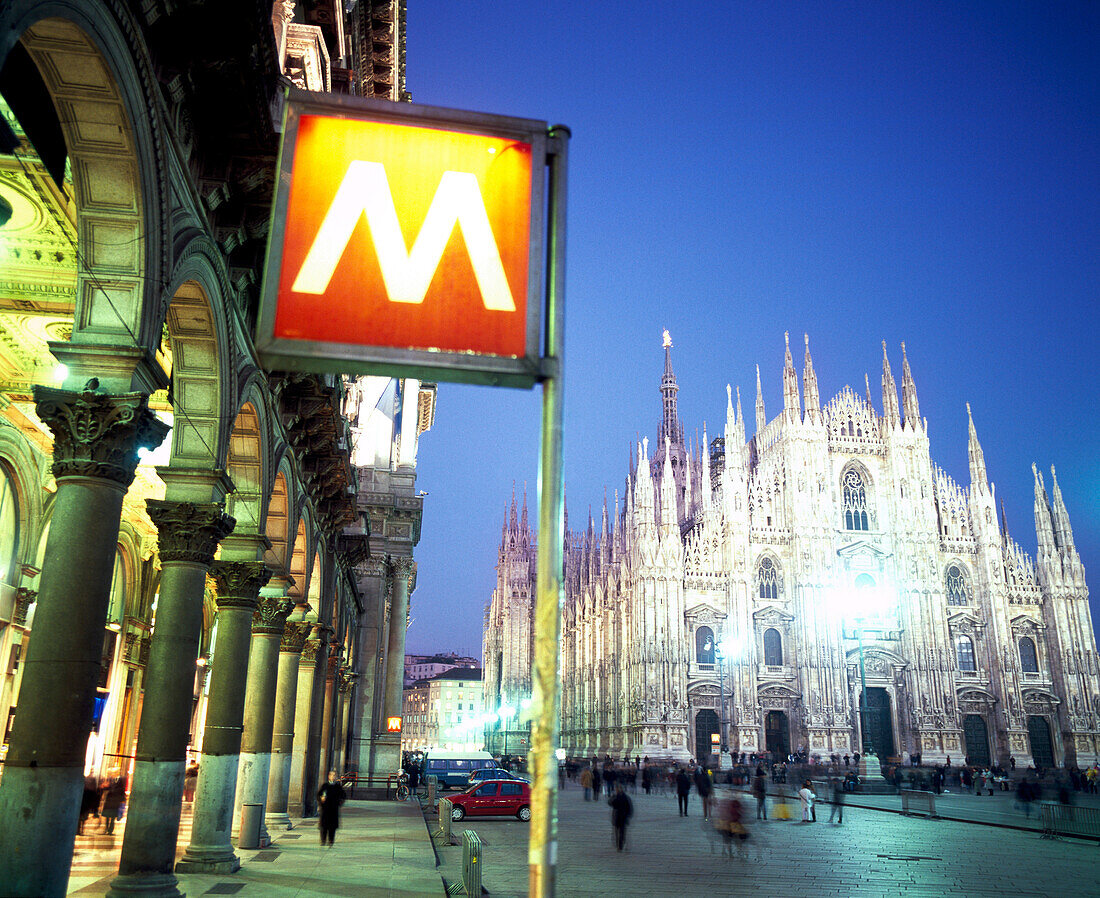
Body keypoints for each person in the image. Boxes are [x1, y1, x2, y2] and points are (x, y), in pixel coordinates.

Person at [317, 770, 347, 845]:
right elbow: (318, 795)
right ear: (328, 776)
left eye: (334, 775)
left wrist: (339, 803)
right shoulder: (325, 785)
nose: (333, 777)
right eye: (331, 775)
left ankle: (331, 840)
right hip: (325, 809)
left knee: (332, 826)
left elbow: (343, 796)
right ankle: (323, 840)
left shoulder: (338, 786)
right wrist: (321, 799)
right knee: (324, 826)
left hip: (334, 809)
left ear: (336, 777)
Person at [608, 782, 633, 851]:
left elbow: (630, 808)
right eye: (617, 789)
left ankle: (620, 845)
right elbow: (610, 803)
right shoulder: (617, 797)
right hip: (617, 817)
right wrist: (613, 797)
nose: (617, 790)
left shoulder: (625, 797)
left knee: (621, 832)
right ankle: (619, 845)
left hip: (622, 817)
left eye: (618, 789)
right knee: (617, 832)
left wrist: (628, 815)